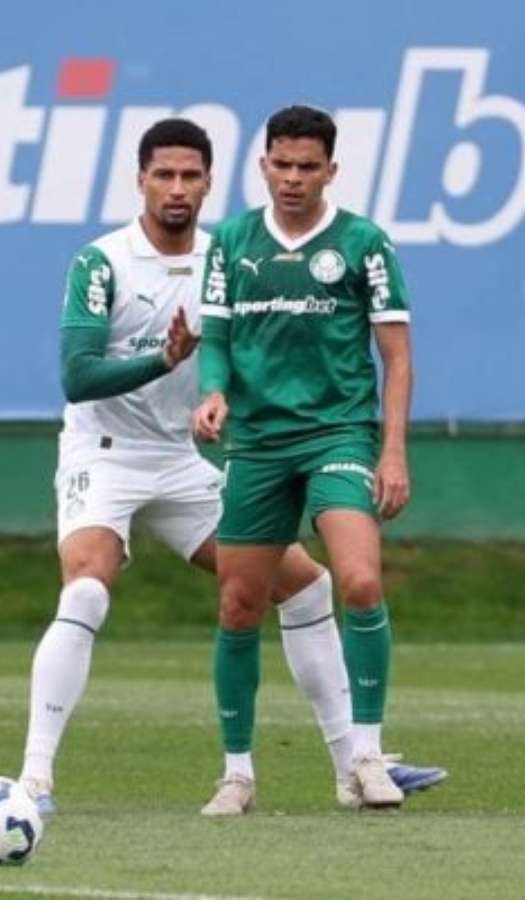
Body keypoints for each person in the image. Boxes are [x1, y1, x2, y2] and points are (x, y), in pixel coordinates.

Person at [18, 118, 444, 819]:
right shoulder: (103, 261)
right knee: (88, 587)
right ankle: (35, 778)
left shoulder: (231, 254)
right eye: (164, 175)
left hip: (185, 458)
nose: (177, 188)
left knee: (306, 587)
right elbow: (77, 375)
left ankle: (357, 763)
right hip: (106, 454)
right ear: (140, 180)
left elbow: (269, 347)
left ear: (210, 183)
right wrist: (163, 360)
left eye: (190, 176)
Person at [193, 105, 415, 815]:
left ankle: (365, 759)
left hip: (337, 435)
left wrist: (392, 451)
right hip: (258, 443)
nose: (292, 178)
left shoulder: (363, 243)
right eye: (281, 165)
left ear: (330, 170)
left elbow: (396, 357)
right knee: (238, 605)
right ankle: (237, 774)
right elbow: (216, 339)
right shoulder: (232, 241)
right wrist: (213, 392)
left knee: (360, 582)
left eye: (307, 167)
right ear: (263, 165)